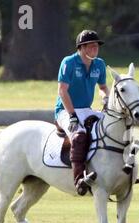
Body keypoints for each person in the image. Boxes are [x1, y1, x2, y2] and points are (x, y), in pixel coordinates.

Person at [55, 30, 110, 196]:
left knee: (114, 127)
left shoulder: (99, 64)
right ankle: (79, 179)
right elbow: (62, 91)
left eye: (97, 46)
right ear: (82, 47)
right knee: (79, 136)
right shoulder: (69, 62)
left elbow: (102, 88)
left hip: (86, 109)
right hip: (65, 110)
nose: (95, 49)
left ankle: (121, 171)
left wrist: (106, 97)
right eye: (92, 46)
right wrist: (72, 116)